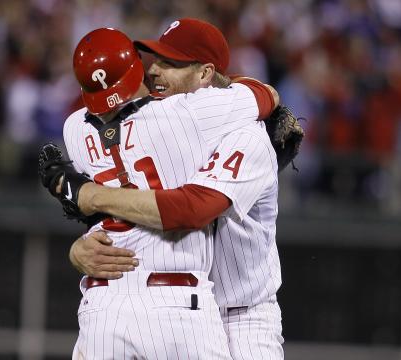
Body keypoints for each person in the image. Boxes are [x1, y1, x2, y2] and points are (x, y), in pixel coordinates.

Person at [39, 26, 280, 359]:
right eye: (154, 60)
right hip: (182, 302)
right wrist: (80, 246)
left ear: (205, 74)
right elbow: (264, 94)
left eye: (172, 63)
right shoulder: (182, 116)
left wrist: (87, 196)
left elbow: (191, 208)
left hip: (243, 314)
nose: (154, 70)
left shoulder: (75, 126)